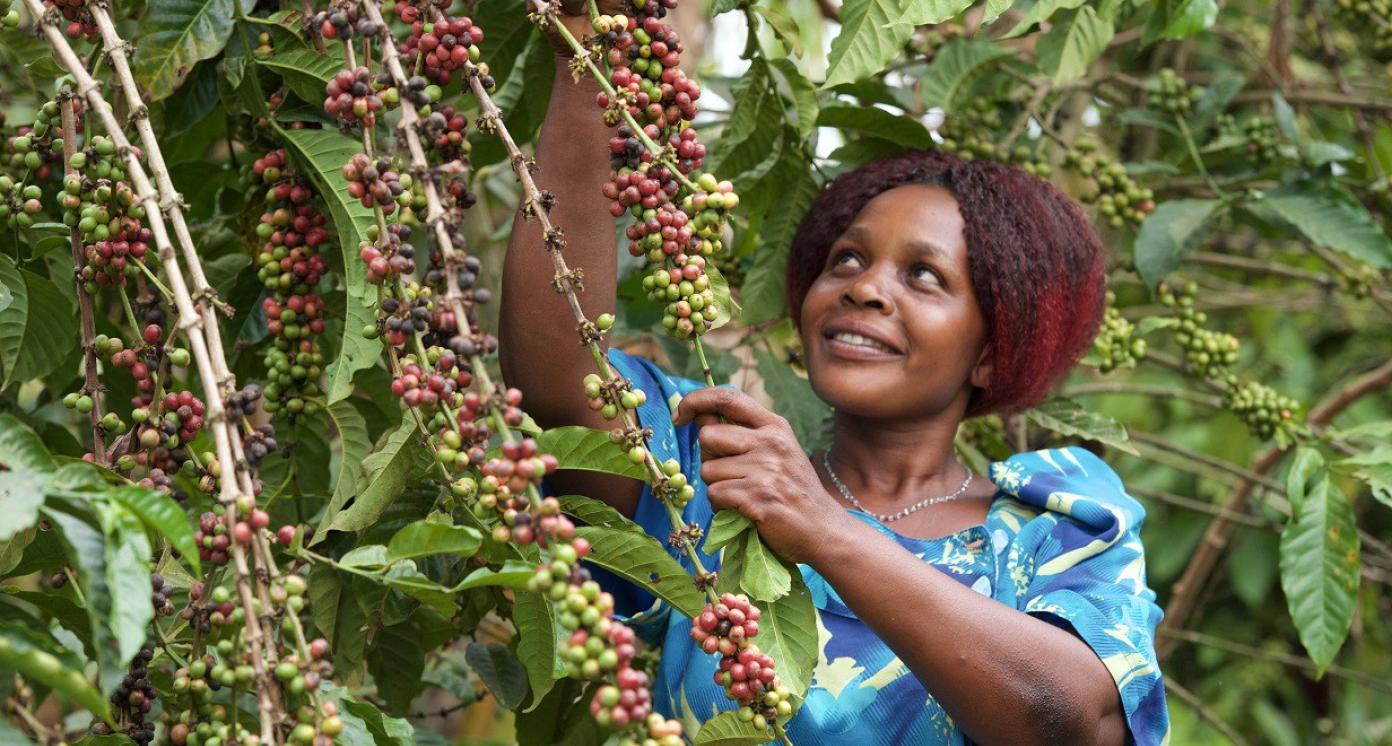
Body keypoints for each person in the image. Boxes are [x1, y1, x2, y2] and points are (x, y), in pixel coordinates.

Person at [501, 9, 1170, 744]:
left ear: (989, 351)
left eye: (924, 275)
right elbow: (561, 372)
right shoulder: (714, 476)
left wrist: (825, 530)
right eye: (847, 258)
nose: (865, 287)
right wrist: (583, 46)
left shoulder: (1051, 527)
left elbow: (1066, 716)